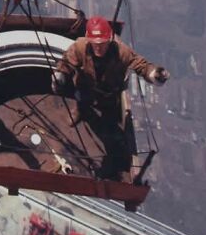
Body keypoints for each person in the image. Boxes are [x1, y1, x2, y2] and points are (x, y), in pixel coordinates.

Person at [52, 15, 169, 178]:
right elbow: (66, 63)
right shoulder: (80, 46)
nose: (98, 48)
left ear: (109, 39)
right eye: (95, 44)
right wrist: (60, 75)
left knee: (108, 113)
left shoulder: (121, 52)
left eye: (102, 43)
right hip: (85, 86)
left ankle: (105, 127)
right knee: (82, 102)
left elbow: (140, 65)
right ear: (89, 40)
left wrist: (154, 74)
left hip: (108, 91)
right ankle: (80, 112)